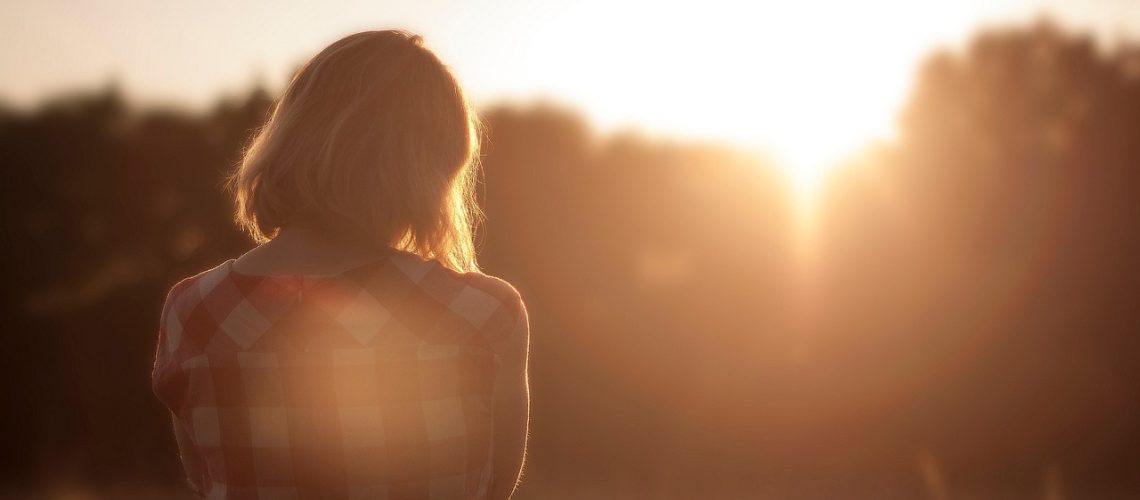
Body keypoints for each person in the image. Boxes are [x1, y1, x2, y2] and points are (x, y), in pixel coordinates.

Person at [151, 30, 530, 500]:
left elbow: (207, 479)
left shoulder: (195, 311)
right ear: (433, 166)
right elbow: (494, 488)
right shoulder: (484, 312)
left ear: (291, 135)